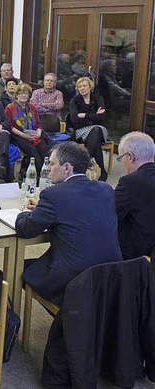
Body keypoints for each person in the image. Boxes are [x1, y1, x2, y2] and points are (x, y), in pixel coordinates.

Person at [16, 142, 121, 306]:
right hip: (112, 274)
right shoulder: (106, 189)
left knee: (20, 268)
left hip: (75, 278)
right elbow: (79, 206)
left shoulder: (53, 195)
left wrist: (24, 213)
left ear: (66, 168)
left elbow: (25, 229)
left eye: (52, 163)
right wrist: (44, 209)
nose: (48, 168)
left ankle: (65, 318)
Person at [114, 131, 155, 260]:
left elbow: (110, 213)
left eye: (121, 158)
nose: (122, 163)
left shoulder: (130, 182)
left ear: (130, 157)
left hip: (138, 253)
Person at [5, 83, 51, 180]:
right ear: (16, 95)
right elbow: (9, 126)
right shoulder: (10, 108)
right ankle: (41, 176)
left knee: (44, 150)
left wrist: (38, 133)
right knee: (33, 153)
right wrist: (23, 135)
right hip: (18, 136)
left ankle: (43, 175)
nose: (23, 96)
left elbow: (38, 123)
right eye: (21, 93)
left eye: (25, 93)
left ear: (29, 95)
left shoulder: (32, 107)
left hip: (34, 135)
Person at [69, 76, 109, 181]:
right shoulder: (75, 101)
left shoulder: (99, 99)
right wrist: (94, 116)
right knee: (96, 140)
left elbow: (102, 117)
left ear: (90, 87)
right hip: (81, 130)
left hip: (99, 128)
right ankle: (102, 171)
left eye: (85, 86)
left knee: (96, 130)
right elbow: (74, 119)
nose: (82, 88)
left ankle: (83, 164)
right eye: (80, 86)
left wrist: (84, 115)